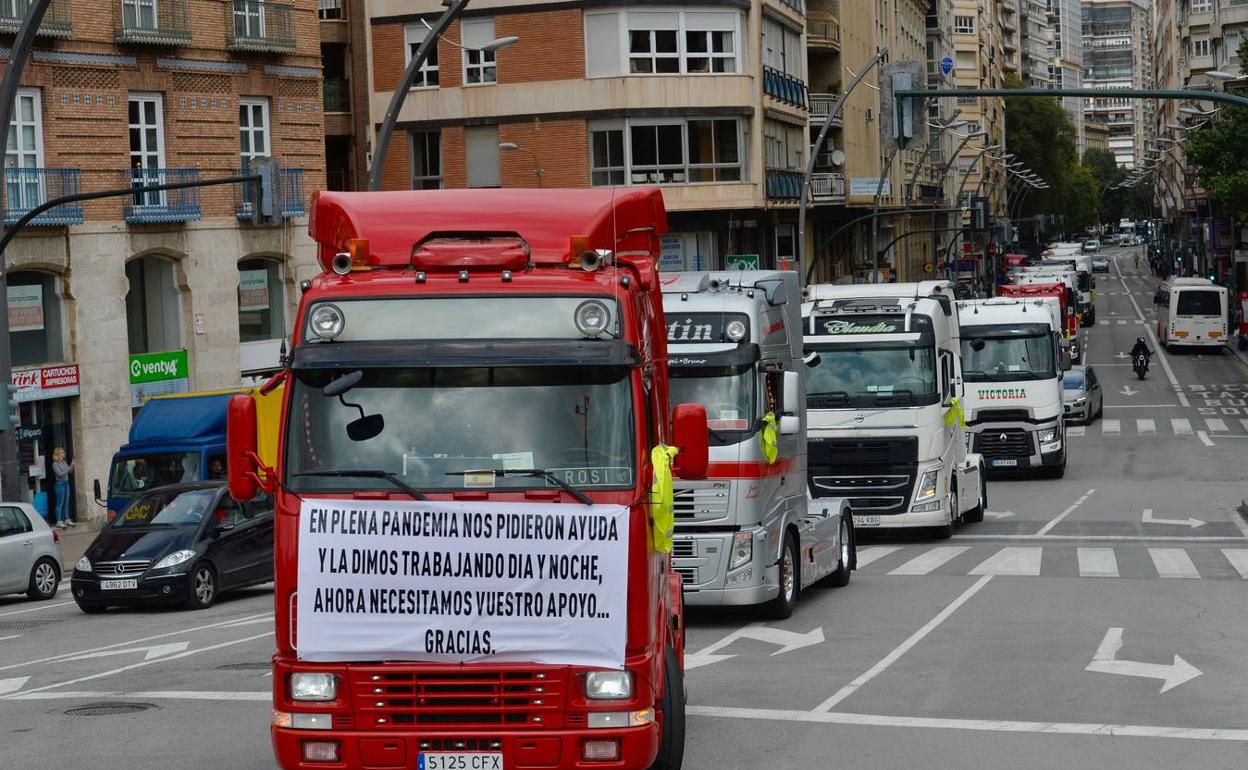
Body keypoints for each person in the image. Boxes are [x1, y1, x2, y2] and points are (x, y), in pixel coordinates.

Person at [51, 447, 75, 528]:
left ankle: (67, 519)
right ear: (58, 454)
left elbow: (70, 471)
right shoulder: (55, 464)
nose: (64, 454)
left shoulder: (64, 462)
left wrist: (72, 465)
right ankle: (59, 520)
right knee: (60, 503)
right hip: (59, 484)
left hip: (66, 483)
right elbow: (60, 474)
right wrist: (68, 469)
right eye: (63, 453)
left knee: (66, 502)